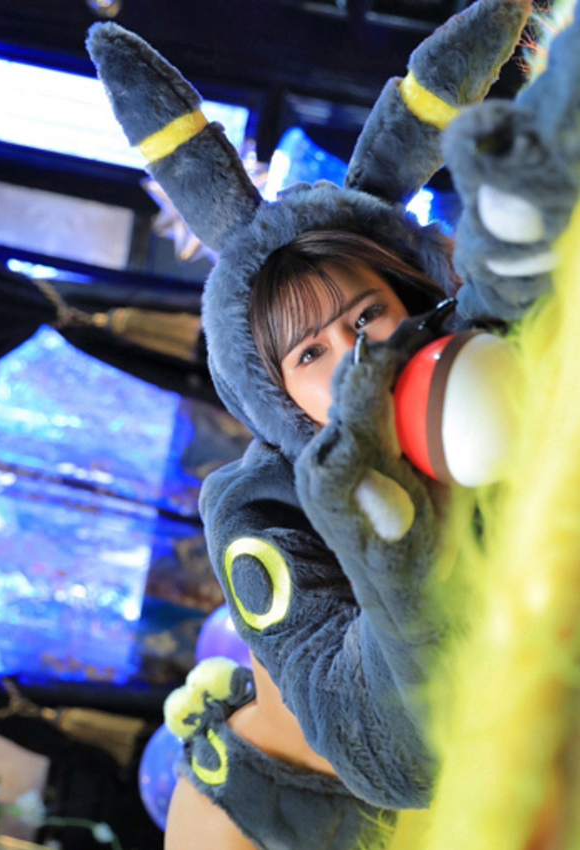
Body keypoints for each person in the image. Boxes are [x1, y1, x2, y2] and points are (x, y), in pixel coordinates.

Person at [87, 0, 535, 846]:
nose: (352, 357)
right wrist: (400, 558)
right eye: (309, 353)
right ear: (276, 391)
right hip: (297, 818)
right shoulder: (259, 507)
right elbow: (391, 754)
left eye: (366, 317)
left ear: (413, 299)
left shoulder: (467, 358)